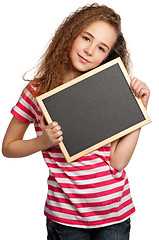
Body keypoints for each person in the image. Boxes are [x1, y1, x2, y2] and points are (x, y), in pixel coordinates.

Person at [2, 3, 150, 240]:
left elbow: (118, 162)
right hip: (65, 217)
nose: (90, 50)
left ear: (107, 57)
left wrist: (138, 109)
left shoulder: (107, 90)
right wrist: (43, 141)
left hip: (114, 214)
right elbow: (8, 147)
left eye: (101, 48)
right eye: (86, 38)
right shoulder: (36, 91)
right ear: (71, 34)